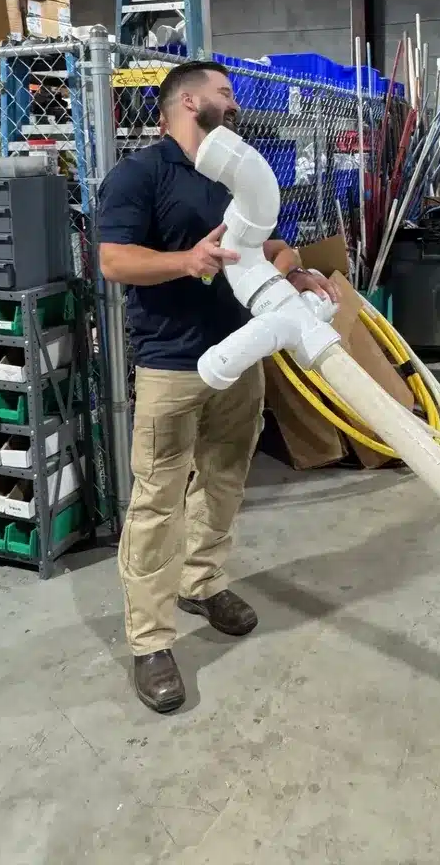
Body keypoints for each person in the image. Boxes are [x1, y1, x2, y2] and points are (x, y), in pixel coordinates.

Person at [98, 60, 338, 713]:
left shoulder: (236, 172)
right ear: (188, 101)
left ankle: (201, 583)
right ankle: (150, 641)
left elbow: (266, 243)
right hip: (172, 366)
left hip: (240, 359)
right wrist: (186, 260)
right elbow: (114, 258)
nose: (234, 104)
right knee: (158, 498)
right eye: (225, 93)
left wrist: (294, 272)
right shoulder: (139, 176)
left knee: (227, 479)